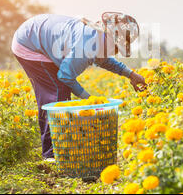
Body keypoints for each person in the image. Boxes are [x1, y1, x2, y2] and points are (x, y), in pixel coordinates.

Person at [11, 12, 147, 161]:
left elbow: (104, 60)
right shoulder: (86, 46)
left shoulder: (99, 39)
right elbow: (65, 76)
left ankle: (62, 146)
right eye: (116, 46)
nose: (115, 51)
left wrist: (131, 74)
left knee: (61, 92)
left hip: (39, 35)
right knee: (56, 92)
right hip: (29, 43)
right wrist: (89, 100)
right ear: (107, 35)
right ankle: (51, 154)